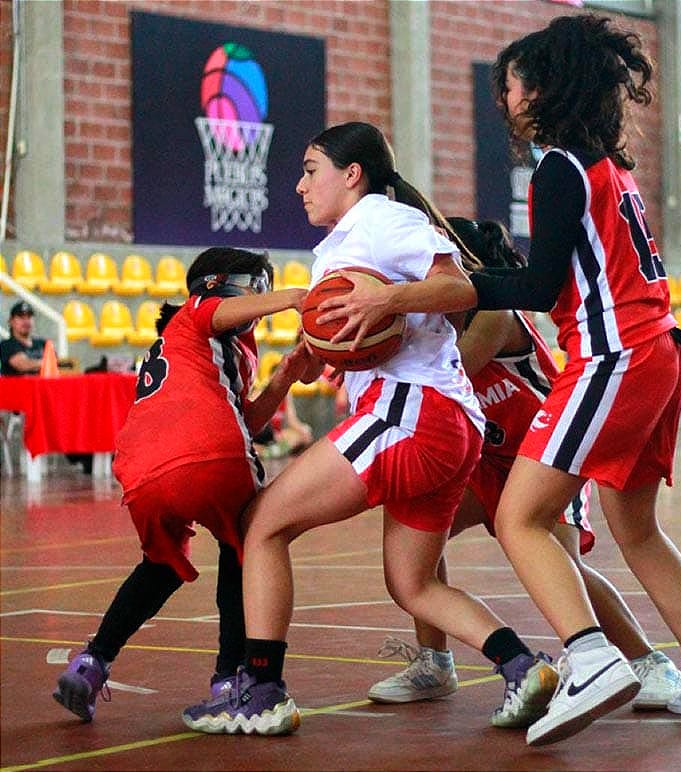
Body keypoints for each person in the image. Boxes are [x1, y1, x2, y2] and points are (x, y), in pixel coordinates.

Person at [317, 16, 681, 747]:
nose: (505, 101)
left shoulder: (559, 168)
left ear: (543, 88)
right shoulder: (608, 166)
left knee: (521, 518)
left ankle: (591, 659)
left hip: (615, 353)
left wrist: (416, 294)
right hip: (658, 350)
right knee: (638, 531)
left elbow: (540, 285)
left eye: (511, 86)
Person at [181, 121, 559, 736]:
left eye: (311, 170)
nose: (300, 185)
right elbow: (360, 333)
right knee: (412, 583)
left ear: (352, 174)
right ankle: (523, 666)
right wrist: (315, 353)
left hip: (410, 410)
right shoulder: (342, 245)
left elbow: (459, 287)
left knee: (261, 524)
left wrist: (387, 302)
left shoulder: (382, 219)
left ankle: (263, 692)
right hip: (443, 422)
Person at [366, 218, 681, 714]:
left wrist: (376, 347)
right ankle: (434, 661)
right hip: (485, 461)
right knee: (419, 524)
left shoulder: (494, 316)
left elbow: (447, 372)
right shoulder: (437, 322)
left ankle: (647, 662)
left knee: (566, 566)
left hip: (544, 455)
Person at [52, 247, 309, 722]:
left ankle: (92, 662)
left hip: (142, 468)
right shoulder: (197, 313)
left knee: (161, 566)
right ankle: (230, 678)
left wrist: (284, 379)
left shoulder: (200, 346)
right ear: (220, 285)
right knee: (248, 546)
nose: (264, 297)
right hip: (209, 454)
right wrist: (296, 297)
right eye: (259, 286)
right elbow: (217, 310)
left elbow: (244, 420)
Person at [0, 301, 71, 375]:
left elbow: (60, 366)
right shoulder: (6, 345)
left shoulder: (43, 344)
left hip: (44, 382)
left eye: (29, 317)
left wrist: (58, 364)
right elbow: (23, 365)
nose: (26, 321)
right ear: (11, 321)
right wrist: (50, 363)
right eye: (21, 317)